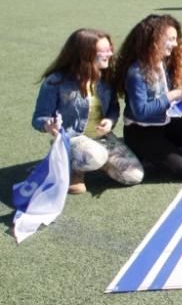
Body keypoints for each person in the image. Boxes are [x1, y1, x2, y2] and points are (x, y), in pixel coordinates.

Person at [32, 29, 143, 194]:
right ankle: (72, 167)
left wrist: (110, 121)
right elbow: (39, 118)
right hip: (72, 138)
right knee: (95, 155)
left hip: (101, 138)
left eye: (110, 49)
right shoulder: (56, 81)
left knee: (134, 176)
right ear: (85, 54)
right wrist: (48, 126)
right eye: (103, 51)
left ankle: (96, 159)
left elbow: (113, 107)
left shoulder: (105, 77)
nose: (110, 54)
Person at [114, 14, 182, 179]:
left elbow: (166, 101)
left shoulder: (163, 62)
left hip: (165, 124)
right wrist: (174, 95)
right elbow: (142, 112)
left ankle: (164, 149)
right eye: (170, 39)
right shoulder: (136, 72)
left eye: (175, 39)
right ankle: (148, 152)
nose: (175, 44)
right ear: (153, 39)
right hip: (142, 133)